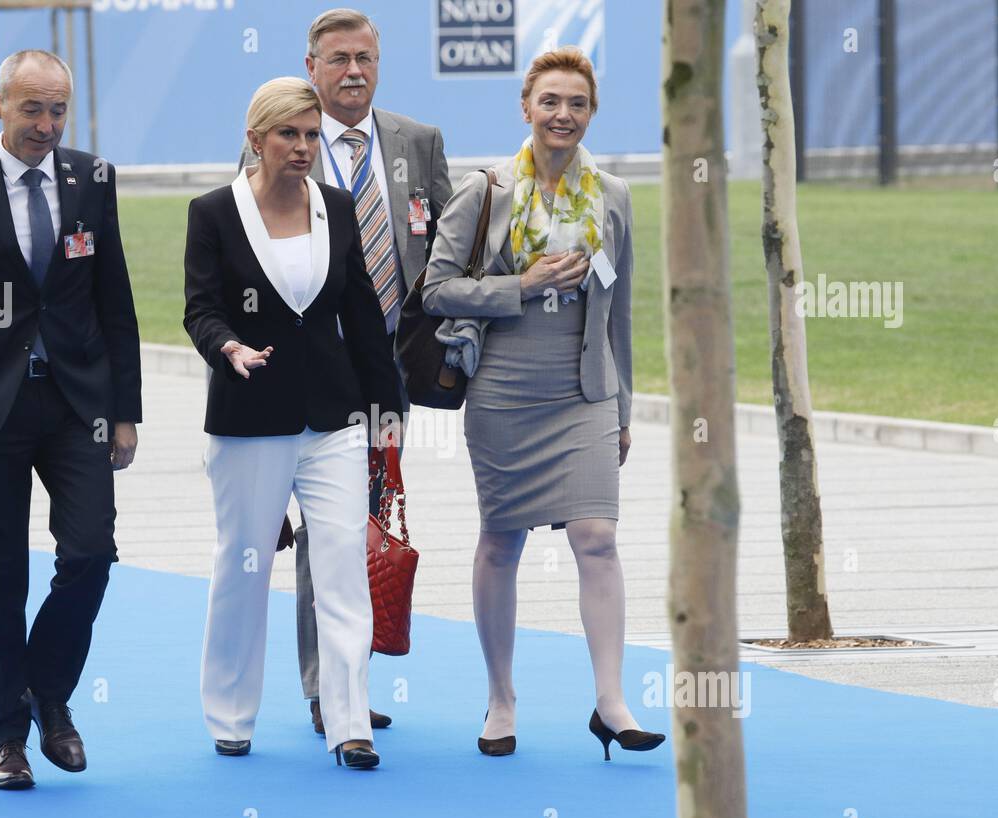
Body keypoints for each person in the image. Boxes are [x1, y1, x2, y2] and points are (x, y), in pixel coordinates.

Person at [421, 47, 664, 759]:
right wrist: (520, 287)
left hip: (583, 387)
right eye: (550, 102)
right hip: (502, 387)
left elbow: (620, 310)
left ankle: (611, 700)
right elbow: (435, 289)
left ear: (591, 112)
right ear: (526, 108)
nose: (563, 115)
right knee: (502, 541)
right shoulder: (487, 189)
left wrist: (622, 407)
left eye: (577, 104)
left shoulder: (613, 195)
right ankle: (501, 699)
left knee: (598, 537)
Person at [0, 50, 143, 789]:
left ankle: (48, 690)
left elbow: (116, 300)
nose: (46, 125)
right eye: (32, 109)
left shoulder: (92, 179)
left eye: (58, 110)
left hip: (78, 406)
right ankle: (8, 738)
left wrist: (127, 413)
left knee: (89, 554)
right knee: (2, 577)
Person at [238, 7, 452, 736]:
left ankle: (347, 681)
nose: (352, 71)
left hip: (390, 368)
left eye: (363, 57)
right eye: (337, 59)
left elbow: (446, 255)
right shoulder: (277, 148)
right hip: (308, 372)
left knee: (364, 526)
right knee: (323, 532)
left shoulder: (418, 144)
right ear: (311, 67)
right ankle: (325, 689)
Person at [186, 76, 402, 769]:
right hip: (249, 419)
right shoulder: (214, 213)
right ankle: (229, 714)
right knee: (244, 569)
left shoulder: (337, 208)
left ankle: (348, 725)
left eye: (311, 135)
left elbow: (364, 317)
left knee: (342, 567)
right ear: (257, 140)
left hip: (333, 419)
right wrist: (227, 347)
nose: (304, 147)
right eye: (289, 135)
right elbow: (200, 307)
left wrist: (387, 412)